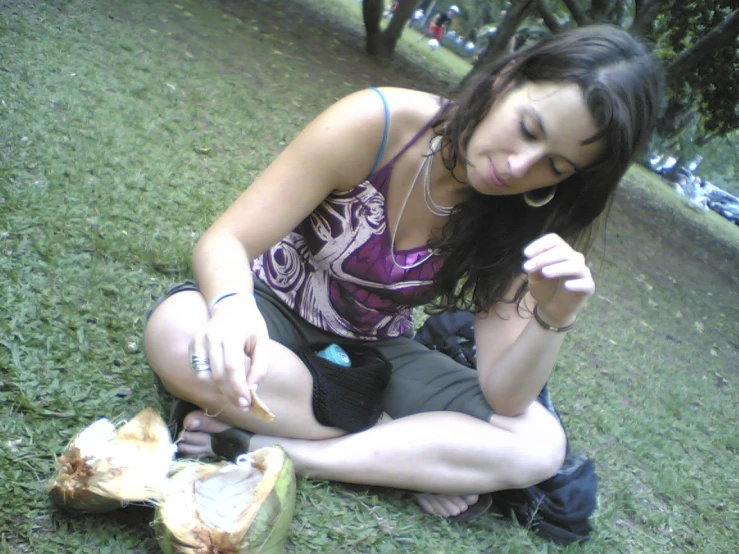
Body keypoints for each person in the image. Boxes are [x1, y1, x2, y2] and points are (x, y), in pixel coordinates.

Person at [144, 25, 663, 522]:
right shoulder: (379, 123)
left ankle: (279, 449)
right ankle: (394, 451)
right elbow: (226, 240)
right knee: (177, 336)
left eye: (555, 166)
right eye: (528, 128)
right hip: (268, 308)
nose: (520, 166)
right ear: (506, 80)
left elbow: (506, 398)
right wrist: (232, 311)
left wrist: (554, 316)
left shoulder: (528, 220)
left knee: (538, 444)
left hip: (373, 353)